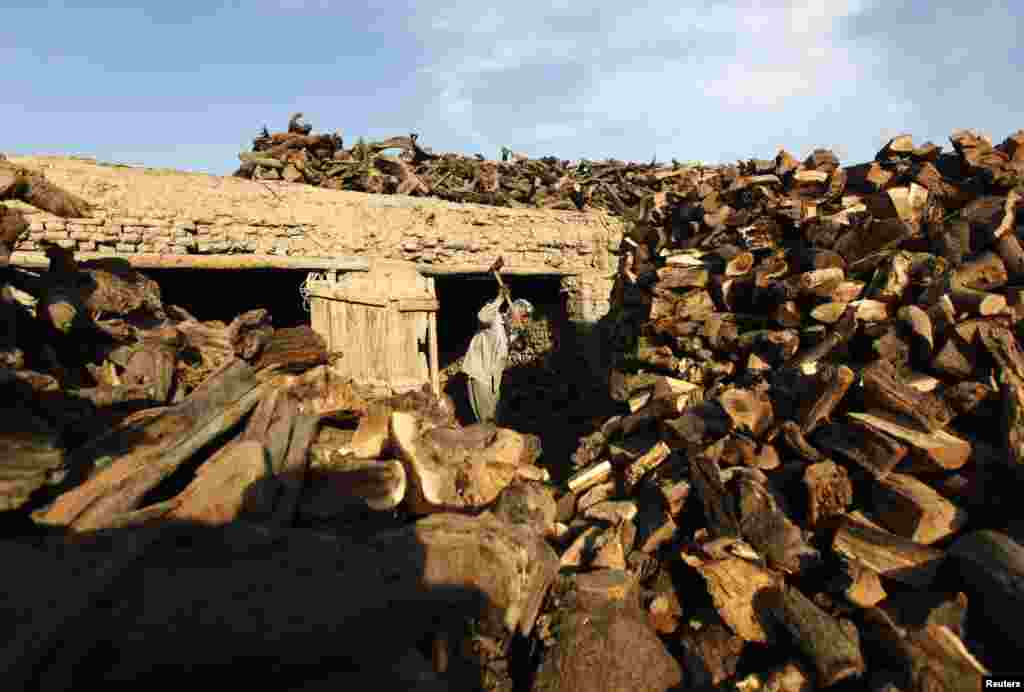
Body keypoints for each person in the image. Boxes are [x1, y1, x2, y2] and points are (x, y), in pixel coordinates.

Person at [461, 285, 533, 424]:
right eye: (523, 316)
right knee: (486, 421)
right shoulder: (494, 320)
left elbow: (513, 346)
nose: (525, 320)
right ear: (513, 312)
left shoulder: (510, 331)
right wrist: (499, 298)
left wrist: (521, 339)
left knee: (494, 418)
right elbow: (482, 316)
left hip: (494, 380)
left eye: (526, 318)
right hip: (480, 374)